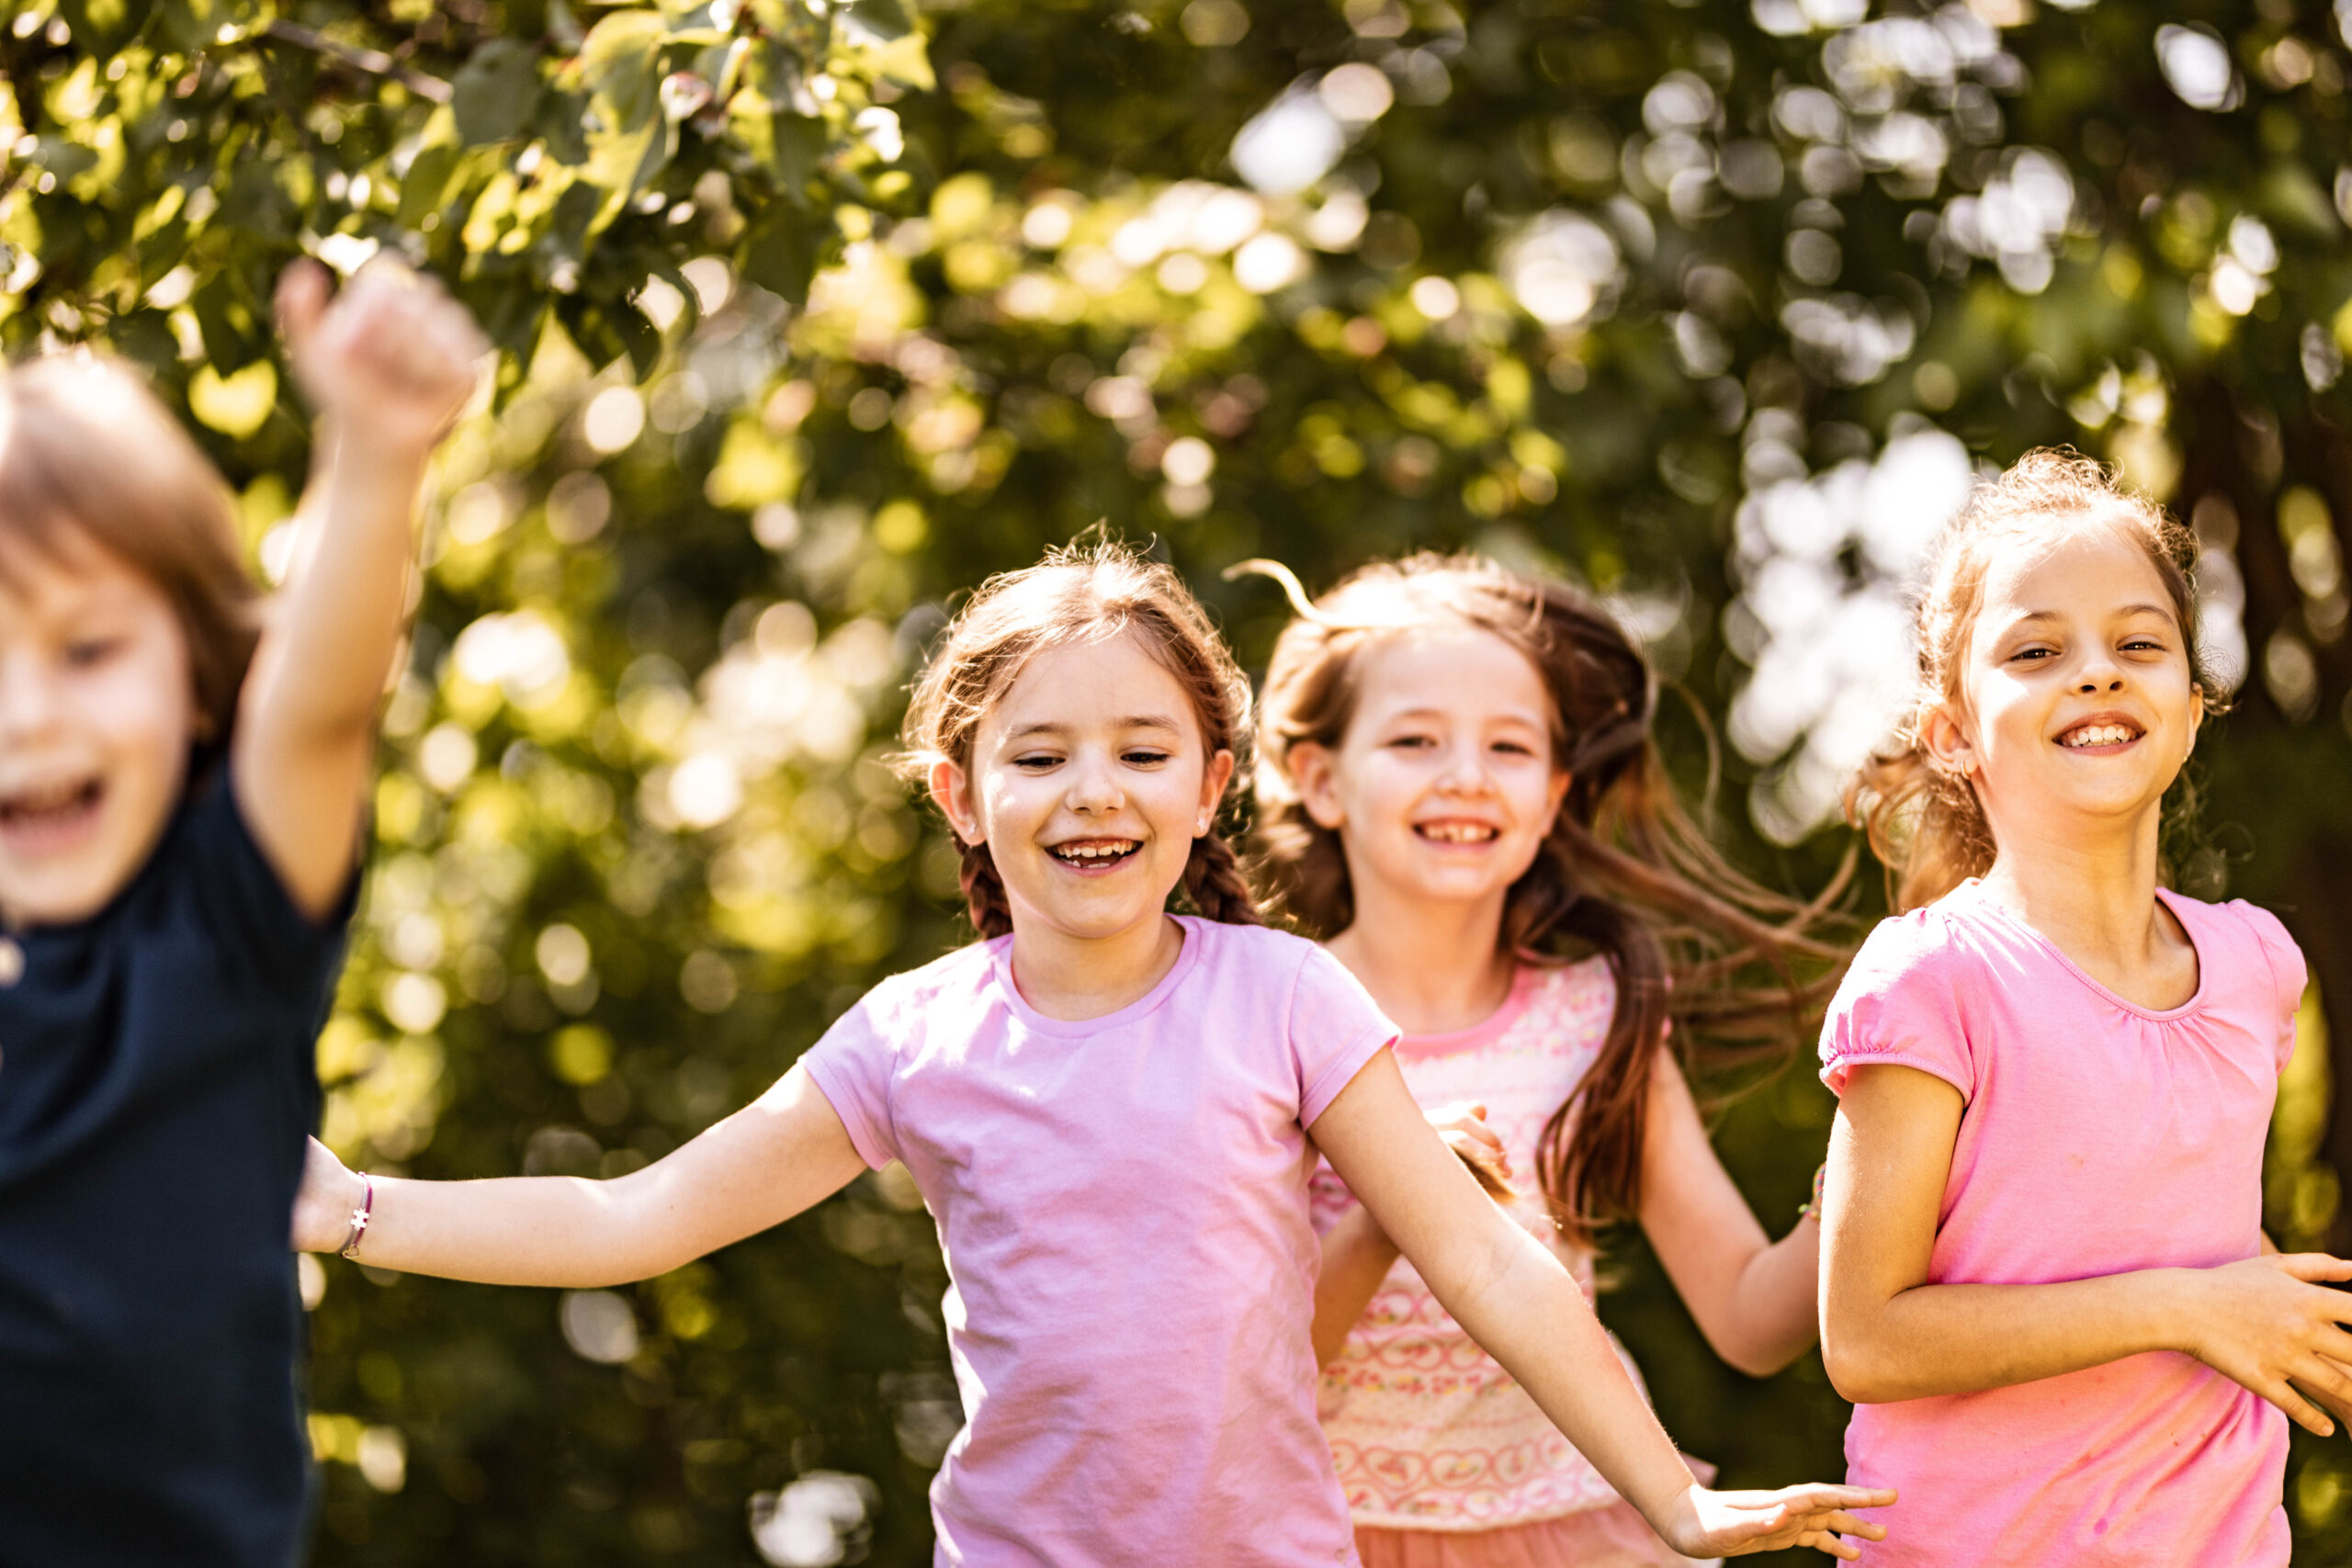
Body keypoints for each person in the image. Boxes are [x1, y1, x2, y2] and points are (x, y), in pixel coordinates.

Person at [291, 542, 1891, 1566]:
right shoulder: (914, 1037)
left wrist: (1672, 1498)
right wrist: (349, 1207)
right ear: (959, 790)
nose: (1094, 791)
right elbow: (631, 1216)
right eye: (1040, 754)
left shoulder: (1286, 998)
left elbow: (1480, 1255)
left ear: (1210, 784)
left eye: (1141, 750)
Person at [0, 260, 485, 1566]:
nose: (26, 714)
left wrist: (376, 454)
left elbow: (319, 701)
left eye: (87, 650)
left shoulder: (222, 922)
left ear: (201, 678)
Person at [1243, 554, 1847, 1568]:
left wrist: (1859, 1186)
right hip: (1321, 1536)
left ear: (1554, 792)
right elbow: (1252, 1373)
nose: (1466, 775)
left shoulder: (1592, 1016)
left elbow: (1750, 1322)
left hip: (1579, 1530)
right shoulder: (1257, 1021)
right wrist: (1397, 1206)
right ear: (1320, 779)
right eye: (1414, 739)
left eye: (1509, 745)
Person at [1816, 449, 2348, 1564]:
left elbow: (2188, 1225)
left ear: (2190, 713)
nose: (2097, 673)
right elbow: (1864, 1338)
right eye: (2036, 651)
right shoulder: (1929, 979)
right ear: (1953, 732)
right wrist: (2186, 1309)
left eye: (2138, 644)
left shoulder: (2255, 963)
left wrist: (2281, 1323)